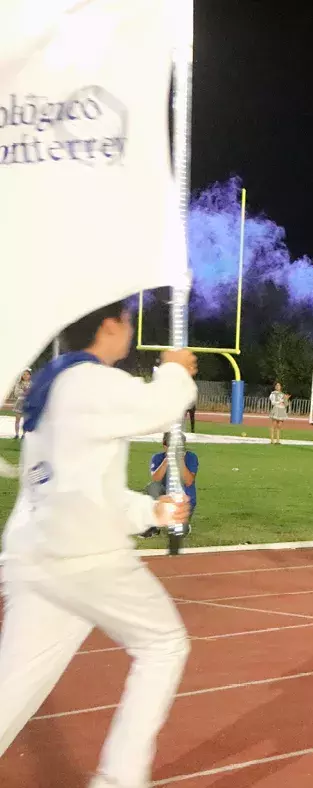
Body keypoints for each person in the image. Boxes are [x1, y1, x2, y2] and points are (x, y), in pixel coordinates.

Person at [0, 299, 197, 788]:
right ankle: (119, 780)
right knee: (163, 645)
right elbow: (161, 407)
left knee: (13, 687)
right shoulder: (88, 381)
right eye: (128, 321)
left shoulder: (54, 389)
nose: (130, 330)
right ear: (109, 325)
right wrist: (174, 370)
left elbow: (82, 484)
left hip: (40, 556)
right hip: (84, 558)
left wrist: (148, 511)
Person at [140, 432, 200, 539]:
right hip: (165, 498)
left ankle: (182, 525)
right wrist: (168, 459)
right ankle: (153, 525)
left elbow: (189, 481)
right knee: (152, 487)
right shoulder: (158, 458)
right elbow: (155, 479)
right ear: (165, 446)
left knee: (177, 534)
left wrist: (180, 460)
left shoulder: (191, 457)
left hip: (183, 501)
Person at [9, 369, 30, 439]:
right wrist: (24, 392)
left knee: (25, 420)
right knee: (17, 419)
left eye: (27, 374)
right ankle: (16, 434)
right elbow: (16, 393)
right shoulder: (19, 383)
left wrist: (27, 392)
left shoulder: (32, 383)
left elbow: (33, 393)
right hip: (19, 403)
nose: (25, 376)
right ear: (22, 375)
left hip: (27, 404)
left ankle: (24, 435)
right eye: (24, 374)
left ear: (30, 375)